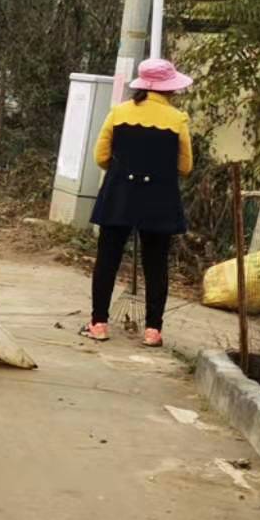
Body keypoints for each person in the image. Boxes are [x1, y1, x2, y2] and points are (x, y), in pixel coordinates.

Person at [85, 58, 195, 347]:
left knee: (107, 259)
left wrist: (122, 170)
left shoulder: (118, 113)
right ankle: (152, 331)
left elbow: (100, 156)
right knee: (156, 264)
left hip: (119, 193)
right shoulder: (178, 119)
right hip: (159, 197)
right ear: (169, 89)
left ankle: (98, 323)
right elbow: (185, 166)